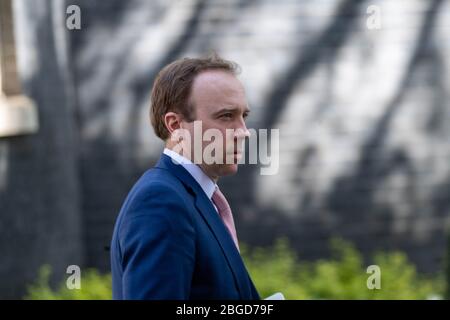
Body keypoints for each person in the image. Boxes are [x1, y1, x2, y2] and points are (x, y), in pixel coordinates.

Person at [110, 54, 260, 300]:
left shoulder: (191, 195)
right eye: (226, 116)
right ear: (175, 125)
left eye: (244, 116)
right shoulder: (160, 201)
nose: (243, 132)